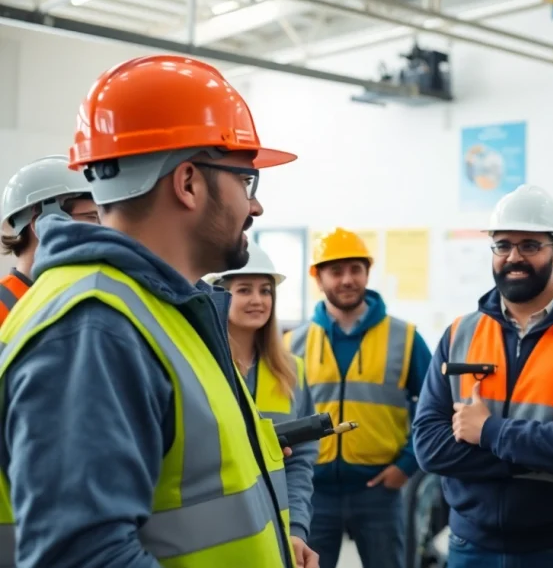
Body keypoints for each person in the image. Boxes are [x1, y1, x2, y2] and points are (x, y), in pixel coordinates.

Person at [0, 54, 312, 568]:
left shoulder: (163, 310)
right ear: (188, 182)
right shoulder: (95, 328)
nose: (255, 207)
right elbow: (84, 557)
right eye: (245, 181)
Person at [413, 184, 553, 568]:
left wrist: (489, 433)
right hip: (470, 545)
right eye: (503, 245)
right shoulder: (459, 334)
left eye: (529, 245)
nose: (514, 257)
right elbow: (429, 446)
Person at [284, 227, 431, 568]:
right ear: (318, 279)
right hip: (312, 494)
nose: (347, 279)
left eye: (355, 269)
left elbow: (433, 409)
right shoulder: (292, 344)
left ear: (367, 273)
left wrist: (407, 466)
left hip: (380, 490)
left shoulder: (405, 337)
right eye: (336, 271)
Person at [204, 241, 318, 559]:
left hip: (278, 535)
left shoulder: (291, 370)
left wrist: (297, 530)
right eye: (244, 290)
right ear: (220, 296)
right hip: (221, 536)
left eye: (265, 291)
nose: (258, 300)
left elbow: (300, 462)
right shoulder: (203, 366)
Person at [0, 155, 97, 323]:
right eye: (91, 217)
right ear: (41, 224)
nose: (102, 229)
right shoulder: (4, 305)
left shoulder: (72, 300)